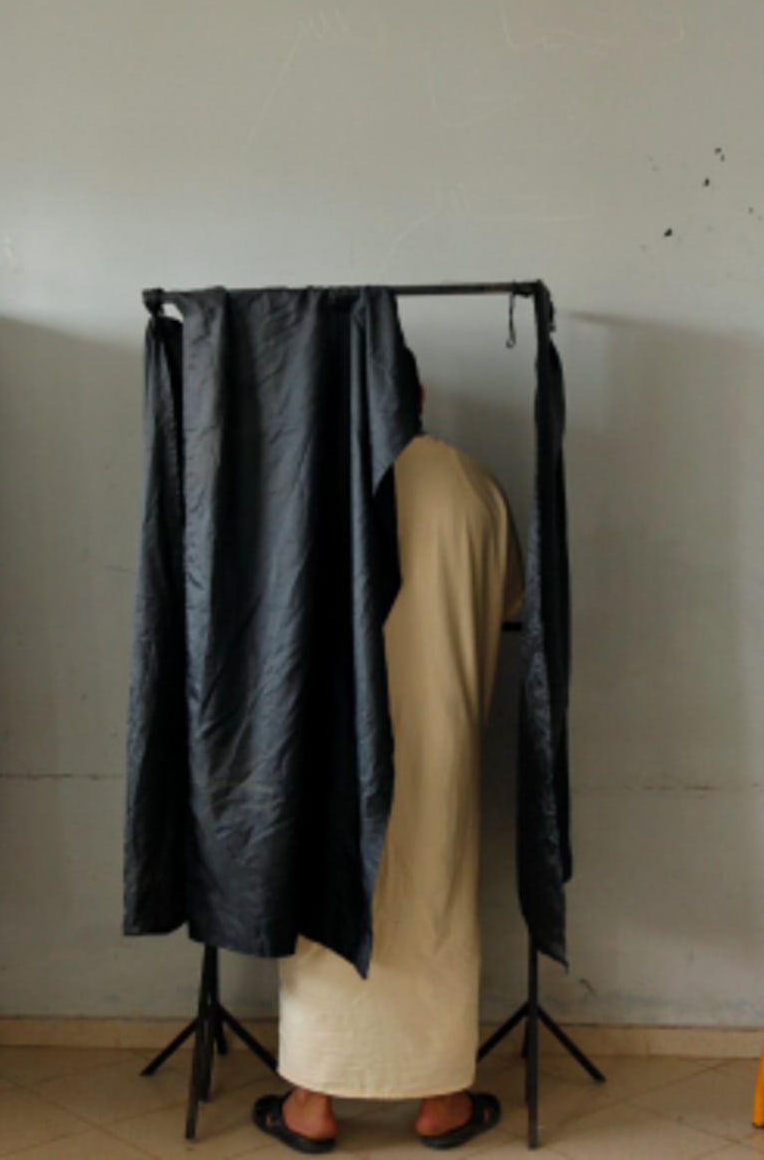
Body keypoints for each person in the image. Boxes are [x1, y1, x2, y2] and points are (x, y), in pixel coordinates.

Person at [252, 374, 522, 1155]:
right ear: (423, 395)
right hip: (445, 740)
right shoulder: (475, 485)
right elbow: (508, 599)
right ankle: (441, 1098)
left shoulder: (321, 485)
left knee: (333, 902)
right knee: (434, 903)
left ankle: (313, 1100)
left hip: (335, 740)